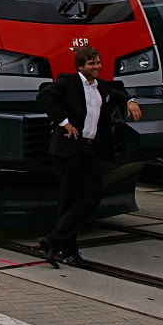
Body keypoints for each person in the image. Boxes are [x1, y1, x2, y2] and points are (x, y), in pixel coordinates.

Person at [36, 45, 142, 269]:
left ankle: (52, 240)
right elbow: (44, 97)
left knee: (91, 198)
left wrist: (131, 101)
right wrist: (64, 122)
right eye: (92, 63)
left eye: (98, 62)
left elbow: (117, 94)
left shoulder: (100, 86)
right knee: (67, 201)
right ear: (81, 66)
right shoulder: (68, 82)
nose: (97, 67)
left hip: (90, 150)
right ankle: (69, 252)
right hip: (68, 149)